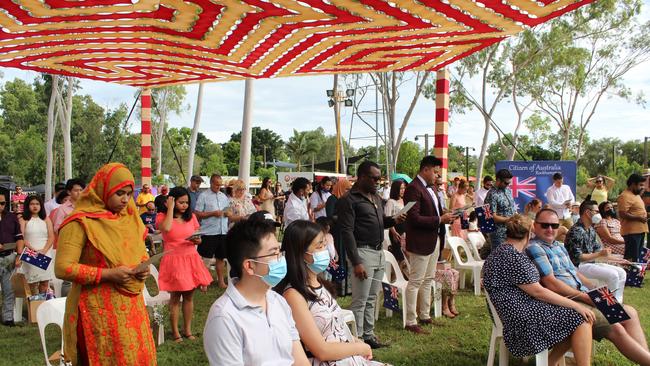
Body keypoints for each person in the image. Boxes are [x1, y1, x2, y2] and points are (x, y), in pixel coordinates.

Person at [54, 163, 156, 365]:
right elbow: (63, 267)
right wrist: (108, 274)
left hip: (131, 307)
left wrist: (142, 268)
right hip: (96, 311)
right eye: (119, 193)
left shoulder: (128, 218)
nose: (125, 199)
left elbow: (137, 252)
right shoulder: (79, 221)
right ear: (103, 189)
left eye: (129, 193)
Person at [527, 208, 650, 366]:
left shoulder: (559, 246)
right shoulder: (535, 248)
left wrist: (593, 287)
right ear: (535, 226)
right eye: (545, 225)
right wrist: (584, 296)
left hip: (585, 295)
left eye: (554, 225)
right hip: (567, 301)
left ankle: (645, 358)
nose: (550, 229)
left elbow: (575, 272)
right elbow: (551, 283)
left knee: (630, 314)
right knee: (616, 328)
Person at [483, 214, 593, 366]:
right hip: (521, 320)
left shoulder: (500, 251)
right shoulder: (514, 257)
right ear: (529, 234)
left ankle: (549, 362)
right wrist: (576, 304)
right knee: (581, 319)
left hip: (511, 314)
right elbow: (538, 292)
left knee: (573, 319)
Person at [276, 220, 384, 365]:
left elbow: (336, 328)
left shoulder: (320, 284)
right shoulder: (294, 295)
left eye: (324, 244)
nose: (325, 251)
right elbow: (322, 350)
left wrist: (355, 342)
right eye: (319, 246)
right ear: (301, 253)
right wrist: (359, 347)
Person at [202, 219, 309, 366]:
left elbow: (300, 361)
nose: (281, 259)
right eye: (274, 254)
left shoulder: (278, 301)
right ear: (249, 266)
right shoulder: (224, 317)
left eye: (280, 252)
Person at [337, 161, 405, 347]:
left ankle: (368, 335)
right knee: (360, 300)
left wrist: (393, 220)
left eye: (379, 178)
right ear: (362, 177)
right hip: (362, 252)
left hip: (378, 251)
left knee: (373, 297)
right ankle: (357, 339)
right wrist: (356, 261)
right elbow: (347, 233)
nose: (378, 181)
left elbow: (380, 222)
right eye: (374, 178)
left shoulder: (375, 197)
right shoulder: (349, 200)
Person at [403, 156, 454, 334]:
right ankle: (410, 320)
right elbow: (414, 218)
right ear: (425, 169)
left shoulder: (431, 188)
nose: (437, 175)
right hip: (420, 241)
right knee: (415, 281)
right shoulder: (412, 188)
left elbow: (433, 212)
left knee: (428, 280)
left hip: (433, 239)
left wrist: (445, 214)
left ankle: (424, 315)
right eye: (435, 171)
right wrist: (440, 219)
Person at [157, 186, 212, 342]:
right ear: (172, 201)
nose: (184, 206)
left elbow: (198, 236)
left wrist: (197, 240)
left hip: (190, 258)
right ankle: (175, 332)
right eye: (181, 202)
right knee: (175, 297)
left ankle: (187, 330)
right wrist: (170, 209)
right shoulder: (162, 217)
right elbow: (166, 228)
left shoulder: (191, 217)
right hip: (174, 260)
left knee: (189, 296)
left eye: (186, 202)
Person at [564, 200, 627, 303]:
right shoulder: (576, 230)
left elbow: (600, 252)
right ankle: (610, 305)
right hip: (577, 266)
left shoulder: (591, 230)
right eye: (597, 211)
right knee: (613, 275)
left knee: (622, 272)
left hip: (590, 264)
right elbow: (577, 257)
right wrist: (600, 254)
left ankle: (618, 303)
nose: (599, 214)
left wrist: (620, 260)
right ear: (588, 213)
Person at [194, 174, 231, 289]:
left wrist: (227, 213)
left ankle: (220, 281)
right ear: (211, 183)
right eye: (216, 184)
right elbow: (197, 214)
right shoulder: (203, 196)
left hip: (222, 231)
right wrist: (212, 213)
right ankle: (203, 282)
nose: (218, 187)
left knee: (221, 258)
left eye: (220, 185)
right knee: (206, 259)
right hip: (209, 232)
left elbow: (228, 211)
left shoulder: (223, 197)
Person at [19, 195, 55, 296]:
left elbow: (51, 237)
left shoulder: (46, 219)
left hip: (45, 253)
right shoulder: (23, 219)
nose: (35, 206)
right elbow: (21, 237)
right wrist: (34, 250)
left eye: (37, 204)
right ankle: (33, 307)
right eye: (32, 204)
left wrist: (43, 250)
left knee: (45, 282)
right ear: (27, 205)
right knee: (32, 283)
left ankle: (42, 305)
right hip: (30, 253)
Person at [0, 194, 24, 327]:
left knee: (9, 289)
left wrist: (19, 255)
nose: (0, 206)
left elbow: (19, 237)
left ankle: (8, 318)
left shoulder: (11, 217)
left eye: (2, 203)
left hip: (9, 256)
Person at [617, 173, 648, 261]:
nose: (643, 187)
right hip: (632, 233)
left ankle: (635, 275)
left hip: (640, 231)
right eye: (640, 185)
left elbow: (637, 211)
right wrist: (639, 218)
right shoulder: (624, 196)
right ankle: (628, 275)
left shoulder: (636, 195)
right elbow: (622, 213)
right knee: (631, 259)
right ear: (633, 184)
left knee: (637, 258)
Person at [484, 169, 516, 250]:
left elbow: (512, 208)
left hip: (511, 231)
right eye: (506, 183)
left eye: (509, 183)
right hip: (498, 234)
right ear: (498, 180)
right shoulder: (492, 194)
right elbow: (492, 217)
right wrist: (509, 219)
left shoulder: (508, 191)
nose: (508, 185)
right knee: (500, 259)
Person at [384, 180, 408, 274]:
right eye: (400, 188)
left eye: (403, 188)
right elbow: (388, 218)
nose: (402, 190)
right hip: (395, 230)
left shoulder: (404, 200)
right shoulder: (391, 202)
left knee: (405, 254)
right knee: (399, 256)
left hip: (404, 231)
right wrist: (393, 232)